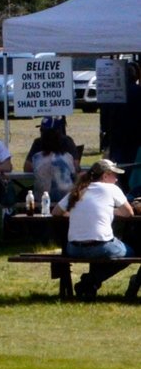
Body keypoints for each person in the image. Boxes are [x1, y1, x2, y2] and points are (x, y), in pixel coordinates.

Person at [64, 160, 135, 299]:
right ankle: (92, 280)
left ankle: (91, 284)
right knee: (130, 253)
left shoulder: (78, 189)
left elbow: (55, 211)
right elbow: (129, 212)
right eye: (114, 175)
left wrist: (71, 213)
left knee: (103, 247)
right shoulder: (112, 189)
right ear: (105, 176)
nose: (116, 179)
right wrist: (111, 210)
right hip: (100, 247)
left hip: (73, 249)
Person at [29, 118, 83, 214]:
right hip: (66, 201)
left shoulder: (36, 157)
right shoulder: (67, 157)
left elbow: (28, 167)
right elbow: (75, 169)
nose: (40, 133)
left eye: (42, 131)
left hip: (42, 201)